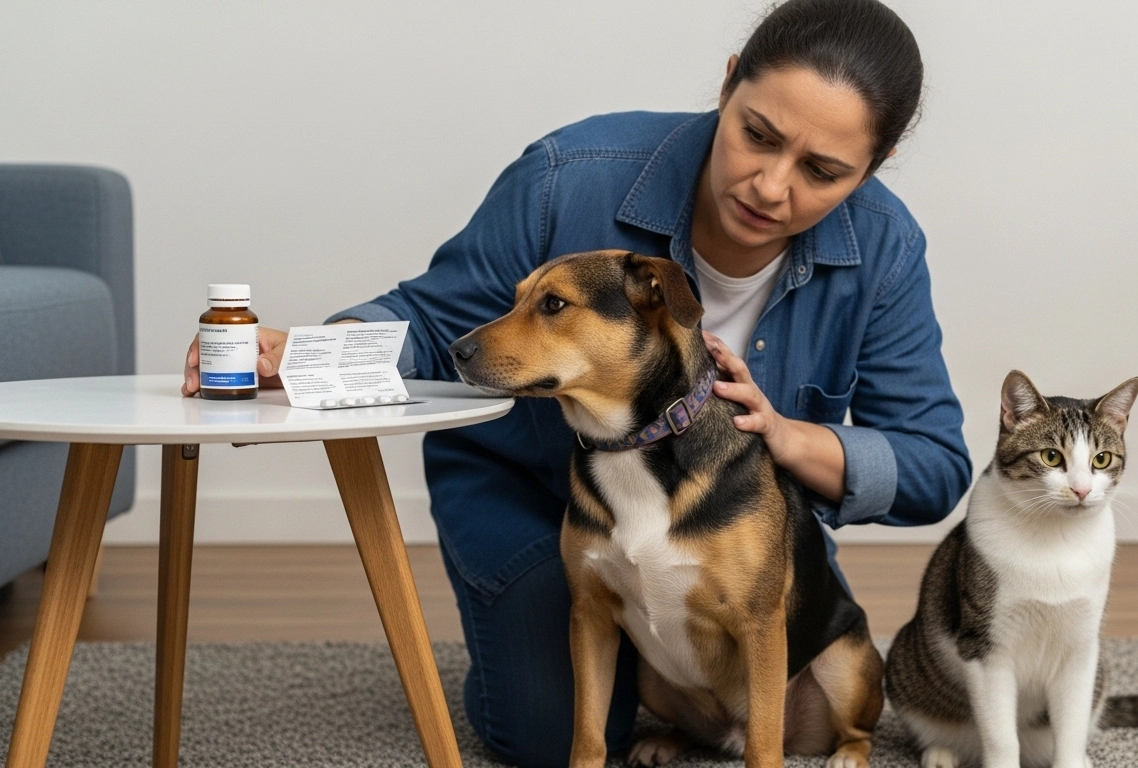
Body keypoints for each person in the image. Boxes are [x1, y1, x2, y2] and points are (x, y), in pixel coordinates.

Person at [182, 0, 971, 765]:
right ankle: (577, 642)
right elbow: (428, 323)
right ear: (728, 85)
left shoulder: (885, 247)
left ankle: (659, 652)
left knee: (800, 693)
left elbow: (933, 464)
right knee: (543, 735)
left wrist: (786, 434)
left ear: (874, 167)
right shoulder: (568, 177)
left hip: (732, 513)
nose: (770, 186)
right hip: (538, 490)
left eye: (824, 171)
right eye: (756, 135)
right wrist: (307, 353)